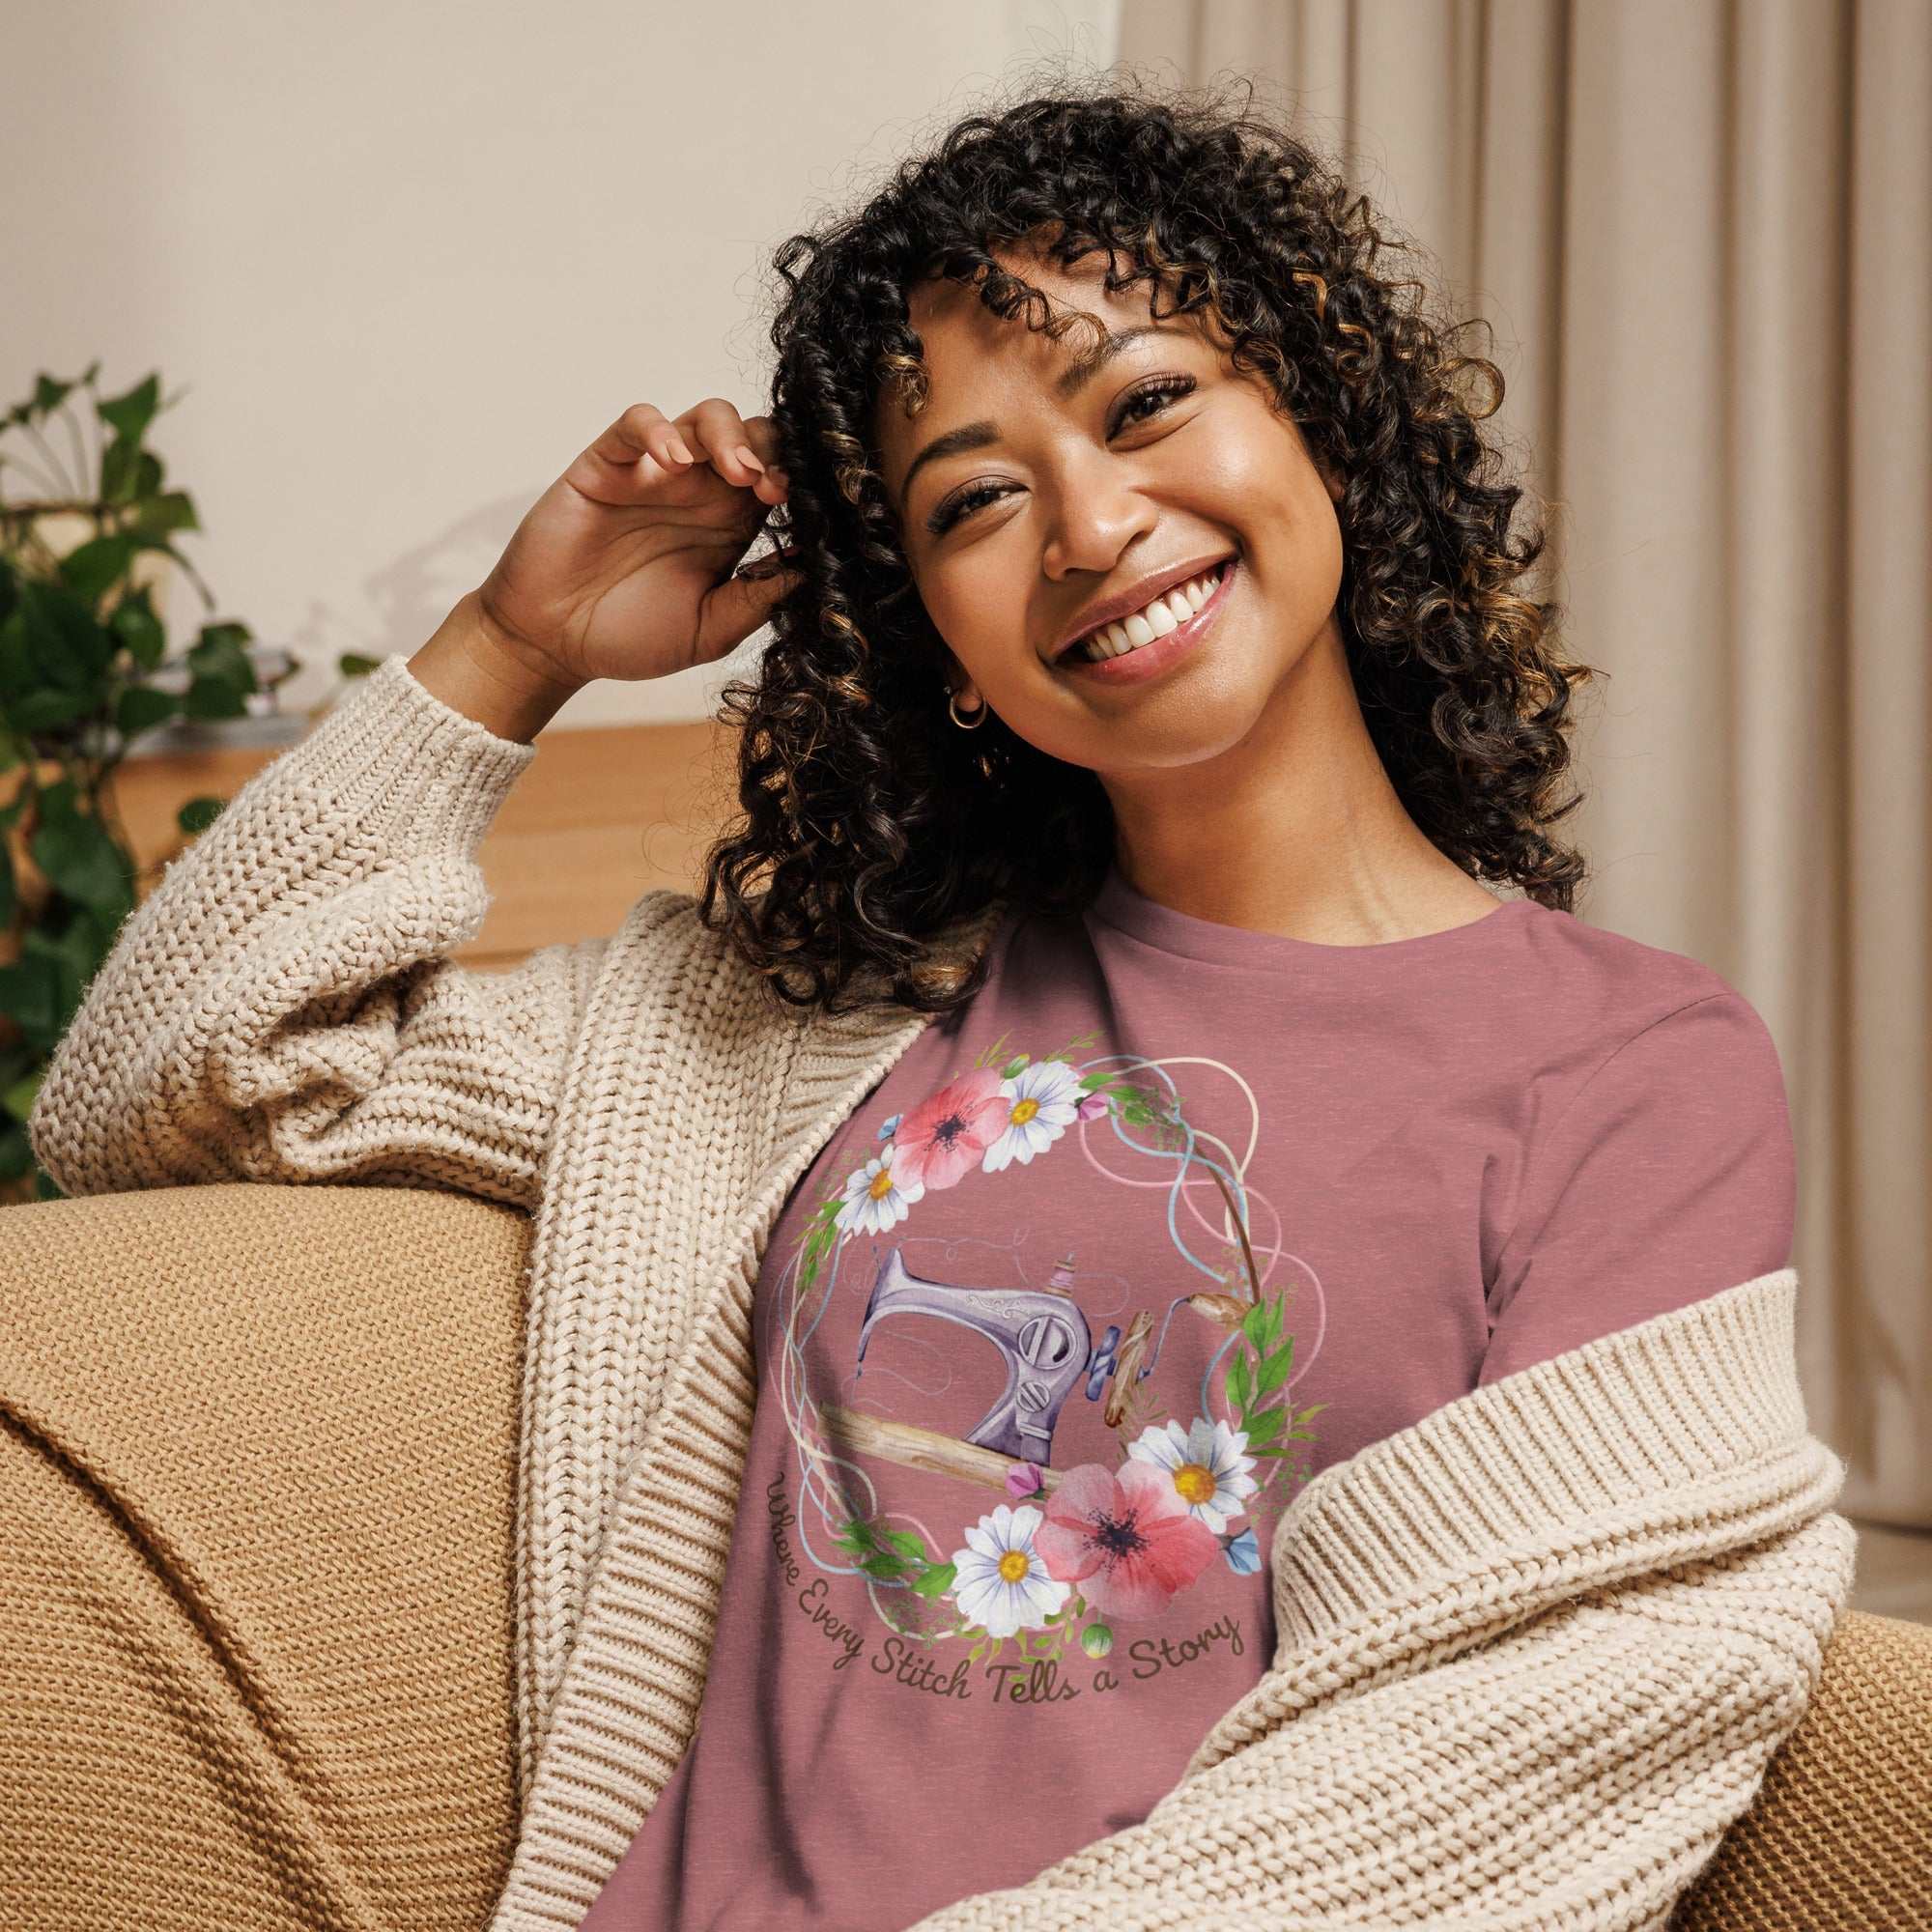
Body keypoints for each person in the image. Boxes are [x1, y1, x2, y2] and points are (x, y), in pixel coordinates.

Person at [22, 76, 1848, 1932]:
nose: (1087, 521)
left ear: (1324, 423)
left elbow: (1528, 1730)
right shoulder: (815, 1025)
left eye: (1148, 402)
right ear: (940, 640)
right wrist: (512, 648)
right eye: (975, 499)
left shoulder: (1626, 1070)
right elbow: (170, 1085)